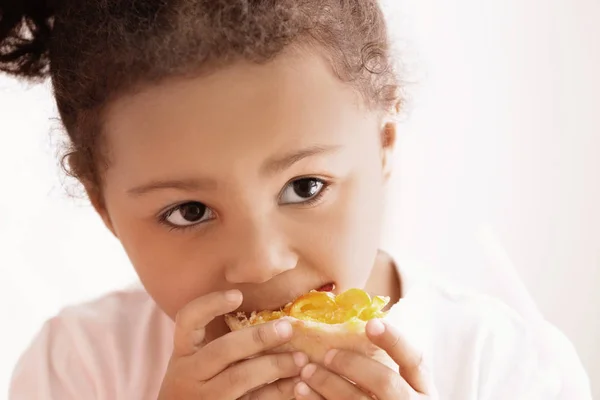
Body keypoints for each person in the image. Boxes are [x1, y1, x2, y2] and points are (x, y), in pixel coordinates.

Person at [1, 1, 591, 399]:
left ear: (384, 145)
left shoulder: (508, 366)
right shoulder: (75, 368)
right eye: (189, 212)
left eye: (304, 188)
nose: (261, 262)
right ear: (104, 209)